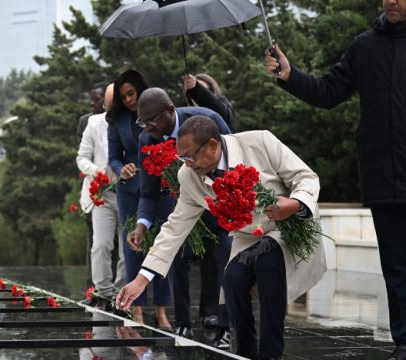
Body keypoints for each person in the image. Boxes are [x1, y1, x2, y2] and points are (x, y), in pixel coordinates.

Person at [117, 116, 327, 359]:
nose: (187, 164)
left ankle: (271, 354)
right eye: (181, 158)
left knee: (268, 265)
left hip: (286, 223)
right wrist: (142, 279)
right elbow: (175, 227)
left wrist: (294, 204)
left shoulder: (260, 141)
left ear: (213, 146)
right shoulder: (189, 175)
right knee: (233, 279)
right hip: (249, 236)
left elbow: (306, 177)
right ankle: (246, 351)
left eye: (190, 156)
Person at [264, 2, 406, 358]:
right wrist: (289, 74)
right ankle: (404, 340)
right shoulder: (364, 46)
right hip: (383, 178)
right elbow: (328, 92)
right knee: (397, 268)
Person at [129, 87, 232, 349]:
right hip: (180, 205)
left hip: (217, 200)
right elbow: (149, 191)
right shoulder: (147, 139)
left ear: (171, 110)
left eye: (153, 120)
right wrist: (142, 225)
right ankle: (182, 322)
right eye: (143, 121)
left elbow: (231, 160)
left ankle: (223, 325)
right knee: (177, 255)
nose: (148, 127)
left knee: (223, 256)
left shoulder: (207, 120)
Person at [106, 70, 171, 328]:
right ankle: (137, 309)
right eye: (123, 97)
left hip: (161, 186)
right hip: (130, 190)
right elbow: (113, 155)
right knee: (133, 247)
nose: (129, 100)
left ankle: (162, 309)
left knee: (163, 246)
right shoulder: (117, 119)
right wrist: (121, 168)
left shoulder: (154, 111)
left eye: (131, 94)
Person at [77, 84, 126, 308]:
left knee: (127, 249)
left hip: (128, 193)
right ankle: (103, 293)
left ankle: (120, 294)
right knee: (101, 245)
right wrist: (98, 172)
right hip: (102, 193)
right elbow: (82, 158)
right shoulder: (94, 123)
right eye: (109, 104)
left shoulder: (135, 122)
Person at [77, 82, 108, 293]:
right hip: (94, 188)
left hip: (117, 189)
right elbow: (83, 155)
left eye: (96, 99)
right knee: (95, 243)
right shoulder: (87, 122)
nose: (92, 103)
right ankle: (93, 288)